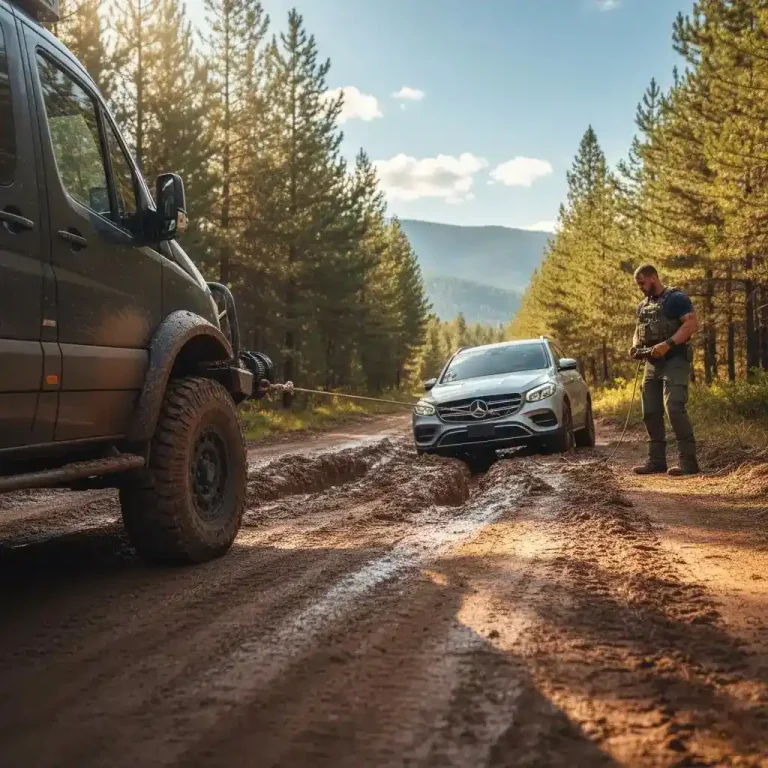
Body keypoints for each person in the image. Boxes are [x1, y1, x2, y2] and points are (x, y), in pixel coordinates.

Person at [630, 264, 700, 476]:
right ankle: (656, 461)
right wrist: (635, 346)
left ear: (654, 277)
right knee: (650, 411)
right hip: (651, 364)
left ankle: (689, 463)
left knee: (674, 407)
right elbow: (637, 330)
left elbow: (692, 325)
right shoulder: (643, 306)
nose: (640, 287)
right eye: (638, 284)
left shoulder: (677, 299)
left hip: (675, 360)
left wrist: (667, 344)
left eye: (642, 283)